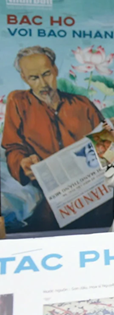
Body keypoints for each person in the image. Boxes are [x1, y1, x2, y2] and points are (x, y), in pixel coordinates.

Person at [2, 45, 107, 230]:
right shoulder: (18, 102)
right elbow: (13, 147)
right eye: (34, 78)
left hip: (92, 186)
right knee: (50, 216)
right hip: (49, 189)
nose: (43, 84)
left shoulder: (82, 105)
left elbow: (105, 144)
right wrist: (22, 163)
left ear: (56, 70)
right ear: (24, 78)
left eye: (47, 74)